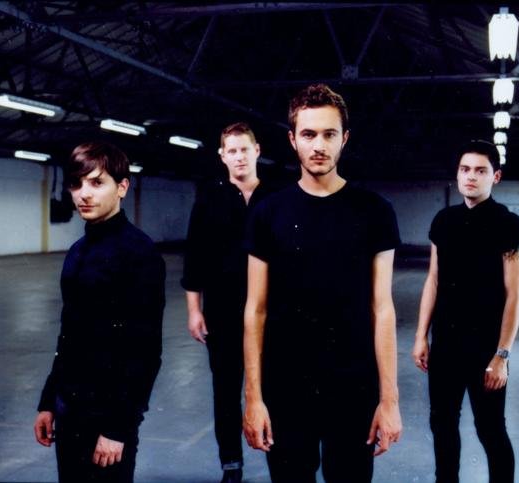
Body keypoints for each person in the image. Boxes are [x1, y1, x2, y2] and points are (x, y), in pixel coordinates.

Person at [243, 84, 402, 483]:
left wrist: (390, 400)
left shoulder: (375, 212)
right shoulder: (268, 214)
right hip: (286, 386)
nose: (319, 146)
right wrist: (253, 397)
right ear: (292, 139)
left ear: (344, 138)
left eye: (329, 134)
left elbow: (382, 309)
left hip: (353, 385)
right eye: (309, 134)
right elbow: (255, 310)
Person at [33, 141, 166, 483]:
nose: (83, 194)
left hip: (108, 418)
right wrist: (48, 402)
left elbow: (145, 351)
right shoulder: (76, 253)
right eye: (76, 184)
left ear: (122, 187)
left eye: (96, 182)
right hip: (69, 410)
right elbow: (68, 335)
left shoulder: (140, 254)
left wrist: (118, 428)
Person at [412, 140, 519, 483]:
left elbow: (514, 295)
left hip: (486, 349)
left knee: (490, 429)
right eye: (465, 169)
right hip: (446, 345)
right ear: (457, 174)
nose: (471, 177)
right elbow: (433, 280)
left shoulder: (508, 224)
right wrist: (420, 336)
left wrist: (502, 355)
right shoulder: (444, 221)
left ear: (496, 177)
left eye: (480, 170)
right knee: (442, 424)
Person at [181, 122, 272, 483]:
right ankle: (231, 463)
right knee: (226, 390)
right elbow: (194, 257)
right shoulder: (209, 199)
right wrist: (194, 310)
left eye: (244, 149)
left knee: (276, 387)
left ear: (257, 150)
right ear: (222, 156)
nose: (239, 157)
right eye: (231, 151)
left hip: (272, 313)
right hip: (222, 311)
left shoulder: (276, 197)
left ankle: (281, 457)